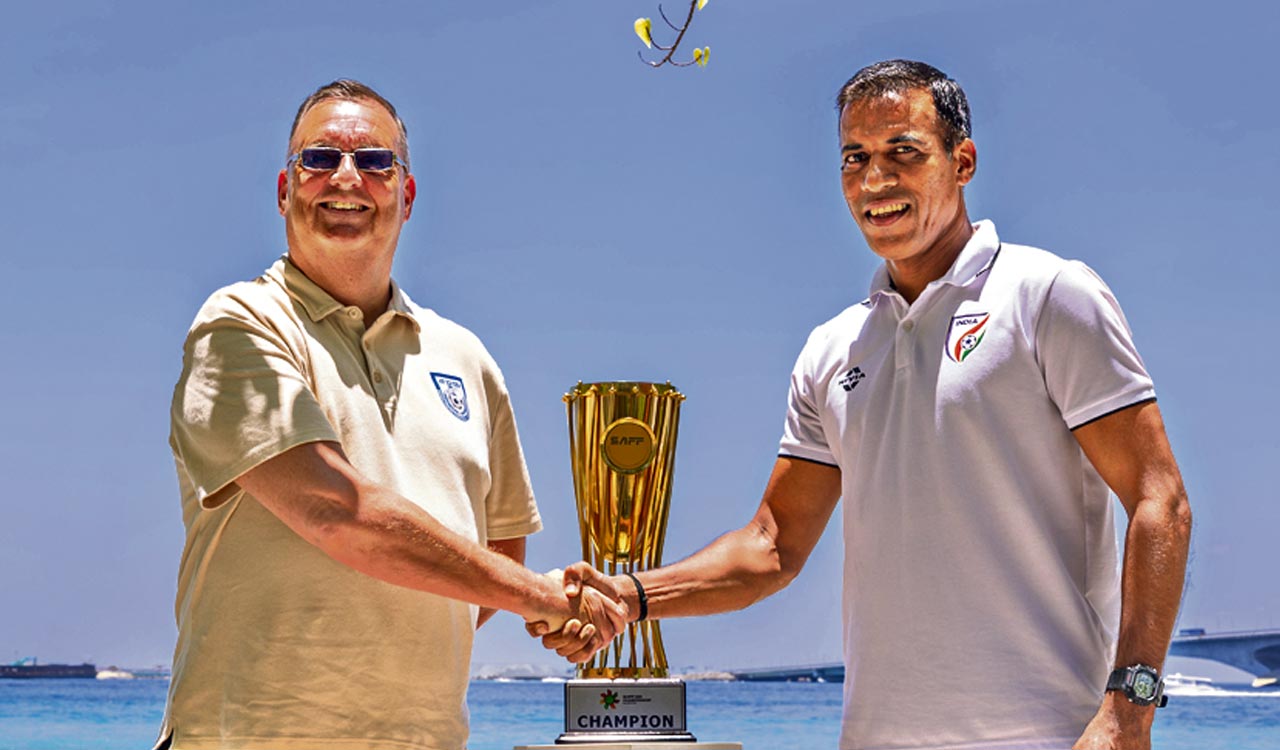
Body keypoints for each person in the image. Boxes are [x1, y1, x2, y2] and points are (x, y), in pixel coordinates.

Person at [537, 60, 1192, 750]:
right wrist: (633, 596)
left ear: (962, 162)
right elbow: (773, 545)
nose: (875, 180)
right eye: (855, 158)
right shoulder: (832, 348)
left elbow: (1160, 499)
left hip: (1050, 735)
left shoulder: (1049, 295)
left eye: (903, 152)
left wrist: (1128, 710)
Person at [159, 80, 623, 750]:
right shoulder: (239, 325)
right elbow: (336, 511)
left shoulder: (467, 357)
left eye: (376, 162)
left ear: (406, 196)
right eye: (320, 159)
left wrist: (528, 594)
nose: (347, 178)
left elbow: (497, 555)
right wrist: (542, 598)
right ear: (286, 190)